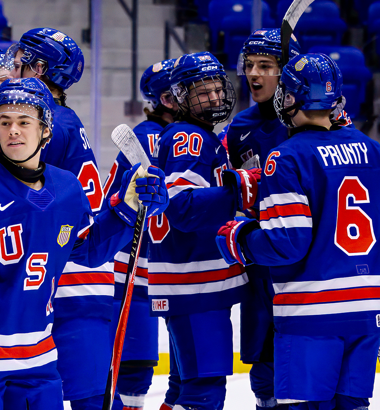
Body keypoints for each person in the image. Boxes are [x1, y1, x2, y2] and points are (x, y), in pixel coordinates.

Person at [0, 76, 169, 410]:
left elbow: (88, 249)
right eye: (5, 121)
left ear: (45, 130)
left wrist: (128, 208)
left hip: (37, 363)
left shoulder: (68, 189)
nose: (13, 130)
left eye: (24, 122)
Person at [216, 52, 380, 410]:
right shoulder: (371, 148)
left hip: (312, 311)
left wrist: (238, 238)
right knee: (352, 405)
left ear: (289, 97)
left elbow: (286, 244)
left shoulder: (286, 157)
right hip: (369, 307)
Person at [8, 27, 113, 409]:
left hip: (70, 278)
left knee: (80, 399)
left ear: (38, 69)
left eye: (21, 62)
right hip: (81, 274)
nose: (12, 68)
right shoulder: (63, 119)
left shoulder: (48, 124)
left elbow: (31, 201)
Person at [147, 51, 249, 410]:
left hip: (188, 280)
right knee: (203, 391)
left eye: (216, 89)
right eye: (201, 92)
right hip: (194, 281)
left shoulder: (197, 135)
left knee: (181, 387)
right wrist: (242, 187)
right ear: (178, 97)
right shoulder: (188, 138)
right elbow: (183, 208)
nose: (213, 99)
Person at [225, 29, 302, 410]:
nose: (253, 74)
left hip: (307, 262)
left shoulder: (313, 123)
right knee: (264, 361)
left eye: (266, 66)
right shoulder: (240, 129)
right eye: (249, 65)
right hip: (262, 262)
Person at [99, 57, 177, 410]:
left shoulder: (174, 134)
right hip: (136, 266)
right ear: (167, 99)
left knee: (149, 370)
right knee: (131, 369)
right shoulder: (150, 138)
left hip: (157, 268)